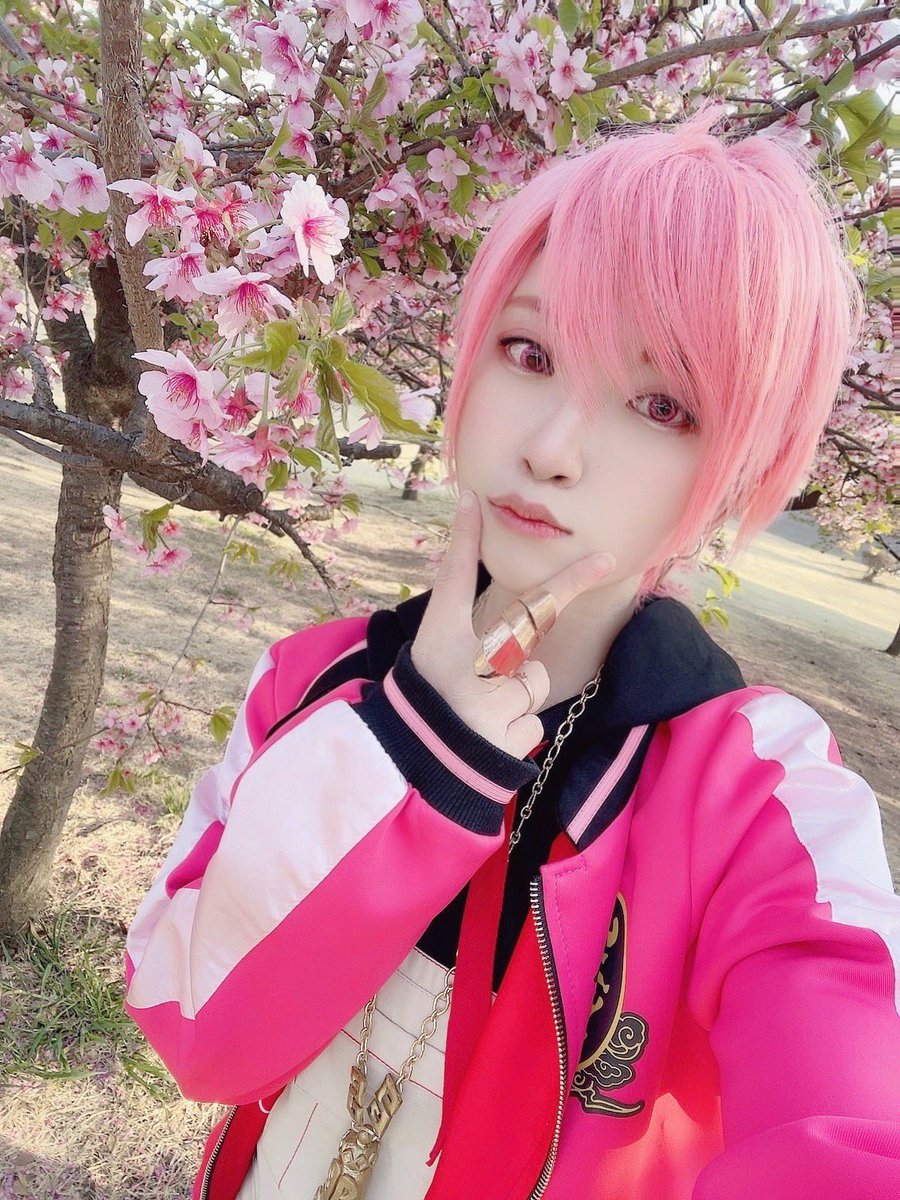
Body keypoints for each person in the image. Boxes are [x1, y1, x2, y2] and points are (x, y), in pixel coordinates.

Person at [122, 100, 900, 1200]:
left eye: (662, 404)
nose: (552, 449)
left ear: (735, 464)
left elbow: (849, 1113)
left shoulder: (756, 798)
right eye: (529, 352)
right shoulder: (312, 682)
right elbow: (194, 1034)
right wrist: (412, 754)